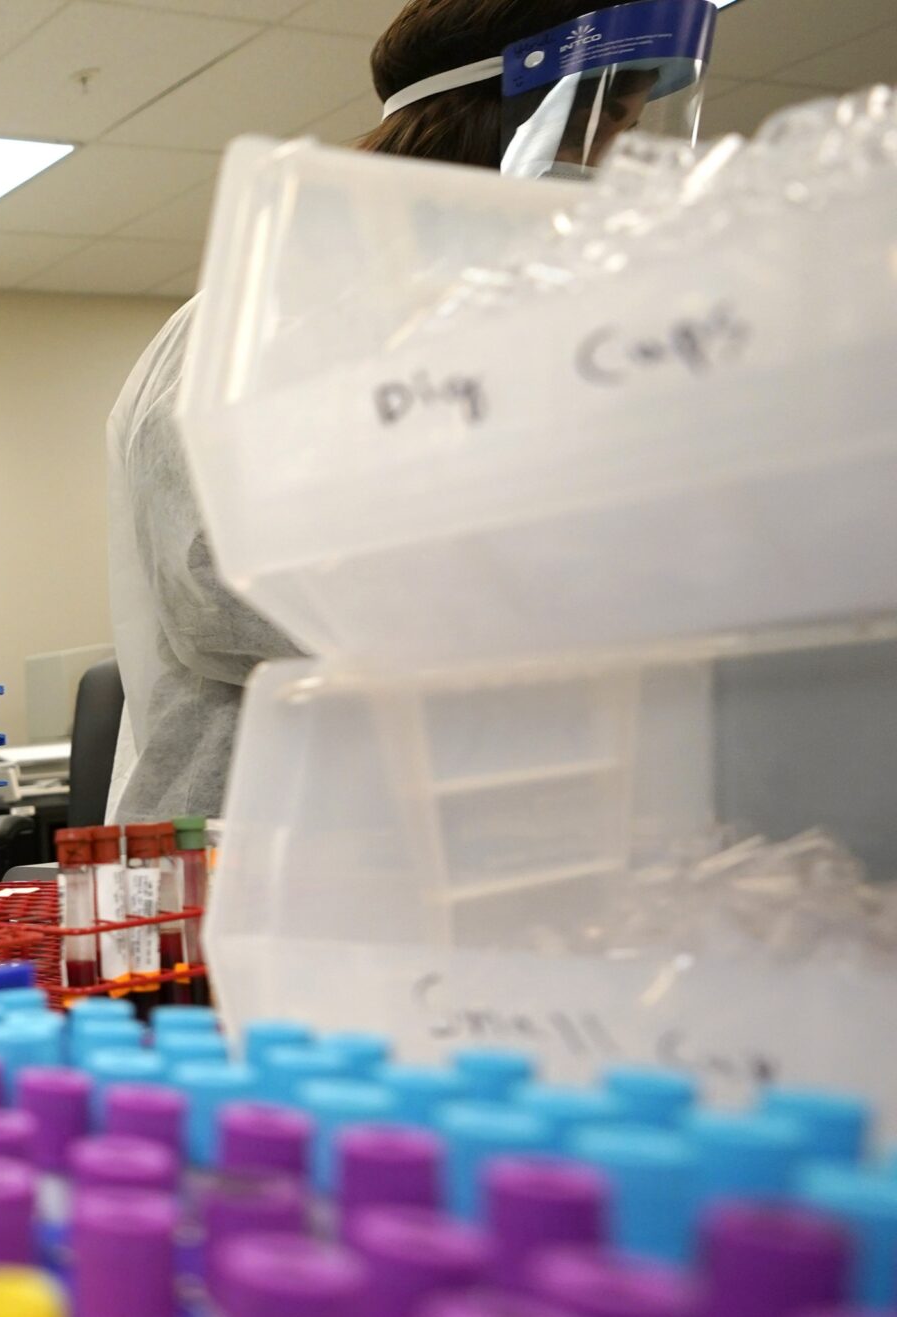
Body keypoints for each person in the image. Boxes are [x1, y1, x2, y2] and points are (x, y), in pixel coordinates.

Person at [103, 0, 716, 820]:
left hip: (471, 824)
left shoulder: (495, 330)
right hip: (265, 830)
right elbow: (219, 586)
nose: (612, 166)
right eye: (606, 130)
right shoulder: (261, 315)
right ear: (515, 116)